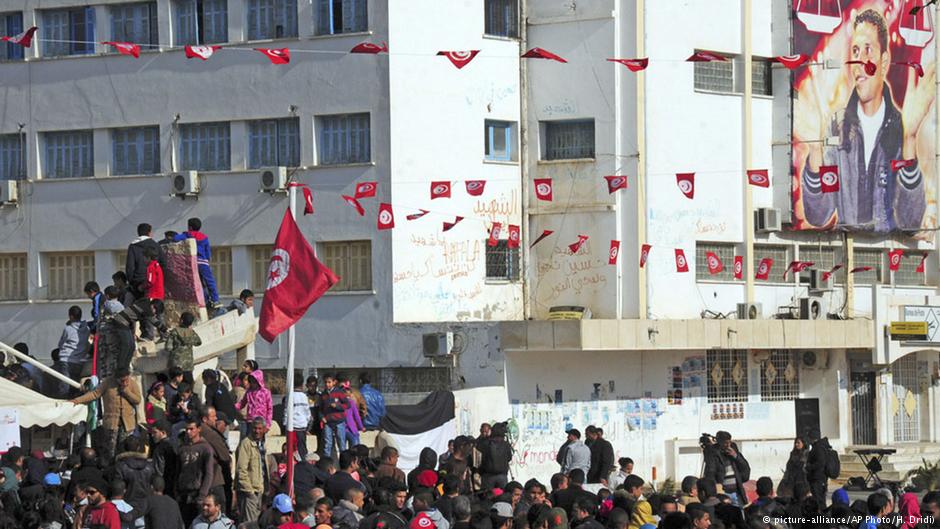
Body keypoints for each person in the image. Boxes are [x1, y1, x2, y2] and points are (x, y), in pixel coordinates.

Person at [795, 8, 934, 232]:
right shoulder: (836, 125)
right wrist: (815, 149)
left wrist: (909, 138)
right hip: (845, 250)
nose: (859, 62)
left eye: (867, 50)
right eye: (855, 51)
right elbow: (820, 215)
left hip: (889, 252)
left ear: (884, 61)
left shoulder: (900, 125)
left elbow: (910, 222)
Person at [71, 368, 141, 464]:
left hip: (127, 424)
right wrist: (77, 400)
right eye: (122, 380)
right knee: (110, 450)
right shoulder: (107, 382)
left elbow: (137, 400)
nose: (124, 382)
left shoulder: (132, 384)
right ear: (116, 378)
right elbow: (95, 394)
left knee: (125, 448)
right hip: (112, 423)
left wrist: (126, 391)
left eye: (126, 379)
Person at [177, 418, 216, 526]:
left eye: (191, 429)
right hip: (183, 494)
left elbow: (209, 473)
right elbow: (177, 471)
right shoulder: (182, 448)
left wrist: (202, 495)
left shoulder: (205, 448)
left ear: (198, 429)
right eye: (187, 429)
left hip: (197, 494)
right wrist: (176, 491)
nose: (188, 432)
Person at [174, 218, 220, 309]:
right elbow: (208, 254)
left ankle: (204, 300)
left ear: (190, 227)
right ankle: (215, 300)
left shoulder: (187, 235)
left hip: (192, 263)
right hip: (203, 263)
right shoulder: (204, 237)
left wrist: (185, 234)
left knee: (198, 283)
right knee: (209, 282)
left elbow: (175, 238)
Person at [701, 431, 749, 506]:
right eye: (725, 443)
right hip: (723, 492)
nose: (728, 445)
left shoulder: (733, 450)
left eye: (729, 442)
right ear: (719, 442)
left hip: (736, 491)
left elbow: (745, 466)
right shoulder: (713, 453)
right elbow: (711, 472)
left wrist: (736, 456)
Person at [236, 417, 268, 524]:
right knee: (249, 523)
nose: (257, 431)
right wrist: (250, 492)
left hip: (259, 491)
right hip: (249, 493)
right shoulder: (246, 443)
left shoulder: (262, 444)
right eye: (255, 428)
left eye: (260, 428)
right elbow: (241, 470)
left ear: (264, 429)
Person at [114, 436, 154, 511]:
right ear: (138, 448)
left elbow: (118, 487)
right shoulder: (149, 466)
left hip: (127, 504)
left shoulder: (120, 466)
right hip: (146, 503)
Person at [126, 223, 165, 299]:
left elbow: (130, 267)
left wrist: (132, 283)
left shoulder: (133, 246)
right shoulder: (156, 245)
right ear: (149, 233)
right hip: (155, 286)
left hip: (138, 283)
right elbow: (164, 264)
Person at [165, 312, 202, 384]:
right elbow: (199, 342)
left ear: (181, 320)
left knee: (174, 384)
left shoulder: (174, 332)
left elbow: (168, 347)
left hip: (175, 364)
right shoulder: (191, 332)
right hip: (188, 365)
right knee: (188, 385)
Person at [319, 374, 349, 459]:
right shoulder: (323, 394)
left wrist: (337, 406)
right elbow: (320, 409)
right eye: (325, 382)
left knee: (341, 444)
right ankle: (326, 465)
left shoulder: (339, 392)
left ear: (334, 382)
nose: (327, 384)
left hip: (339, 421)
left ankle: (344, 463)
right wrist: (322, 417)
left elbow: (347, 405)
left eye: (329, 382)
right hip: (328, 422)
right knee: (327, 444)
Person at [58, 305, 90, 381]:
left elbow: (61, 343)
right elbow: (88, 343)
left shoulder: (68, 329)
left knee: (64, 384)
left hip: (66, 359)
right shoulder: (87, 329)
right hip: (79, 360)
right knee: (75, 385)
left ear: (71, 316)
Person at [478, 422, 513, 491]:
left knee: (487, 497)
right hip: (502, 476)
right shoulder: (506, 444)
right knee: (503, 497)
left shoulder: (486, 443)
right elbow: (509, 458)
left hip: (488, 476)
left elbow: (481, 459)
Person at [805, 432, 835, 508]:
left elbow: (820, 463)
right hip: (818, 479)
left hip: (818, 479)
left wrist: (809, 467)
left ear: (812, 438)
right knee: (819, 500)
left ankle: (821, 518)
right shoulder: (818, 447)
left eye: (809, 438)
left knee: (819, 502)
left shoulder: (818, 448)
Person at [150, 421, 179, 499]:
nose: (152, 435)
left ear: (163, 432)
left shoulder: (161, 448)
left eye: (155, 432)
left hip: (163, 484)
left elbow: (159, 469)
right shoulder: (174, 445)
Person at [286, 378, 312, 458]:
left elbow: (286, 411)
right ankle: (303, 462)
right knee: (302, 447)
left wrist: (285, 423)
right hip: (302, 426)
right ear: (302, 385)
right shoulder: (304, 396)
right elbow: (307, 412)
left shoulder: (290, 396)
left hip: (292, 426)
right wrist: (307, 423)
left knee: (292, 447)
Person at [342, 382, 364, 450]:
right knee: (355, 449)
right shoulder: (351, 402)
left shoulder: (339, 403)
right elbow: (356, 416)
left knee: (343, 450)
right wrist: (361, 427)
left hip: (342, 430)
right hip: (351, 429)